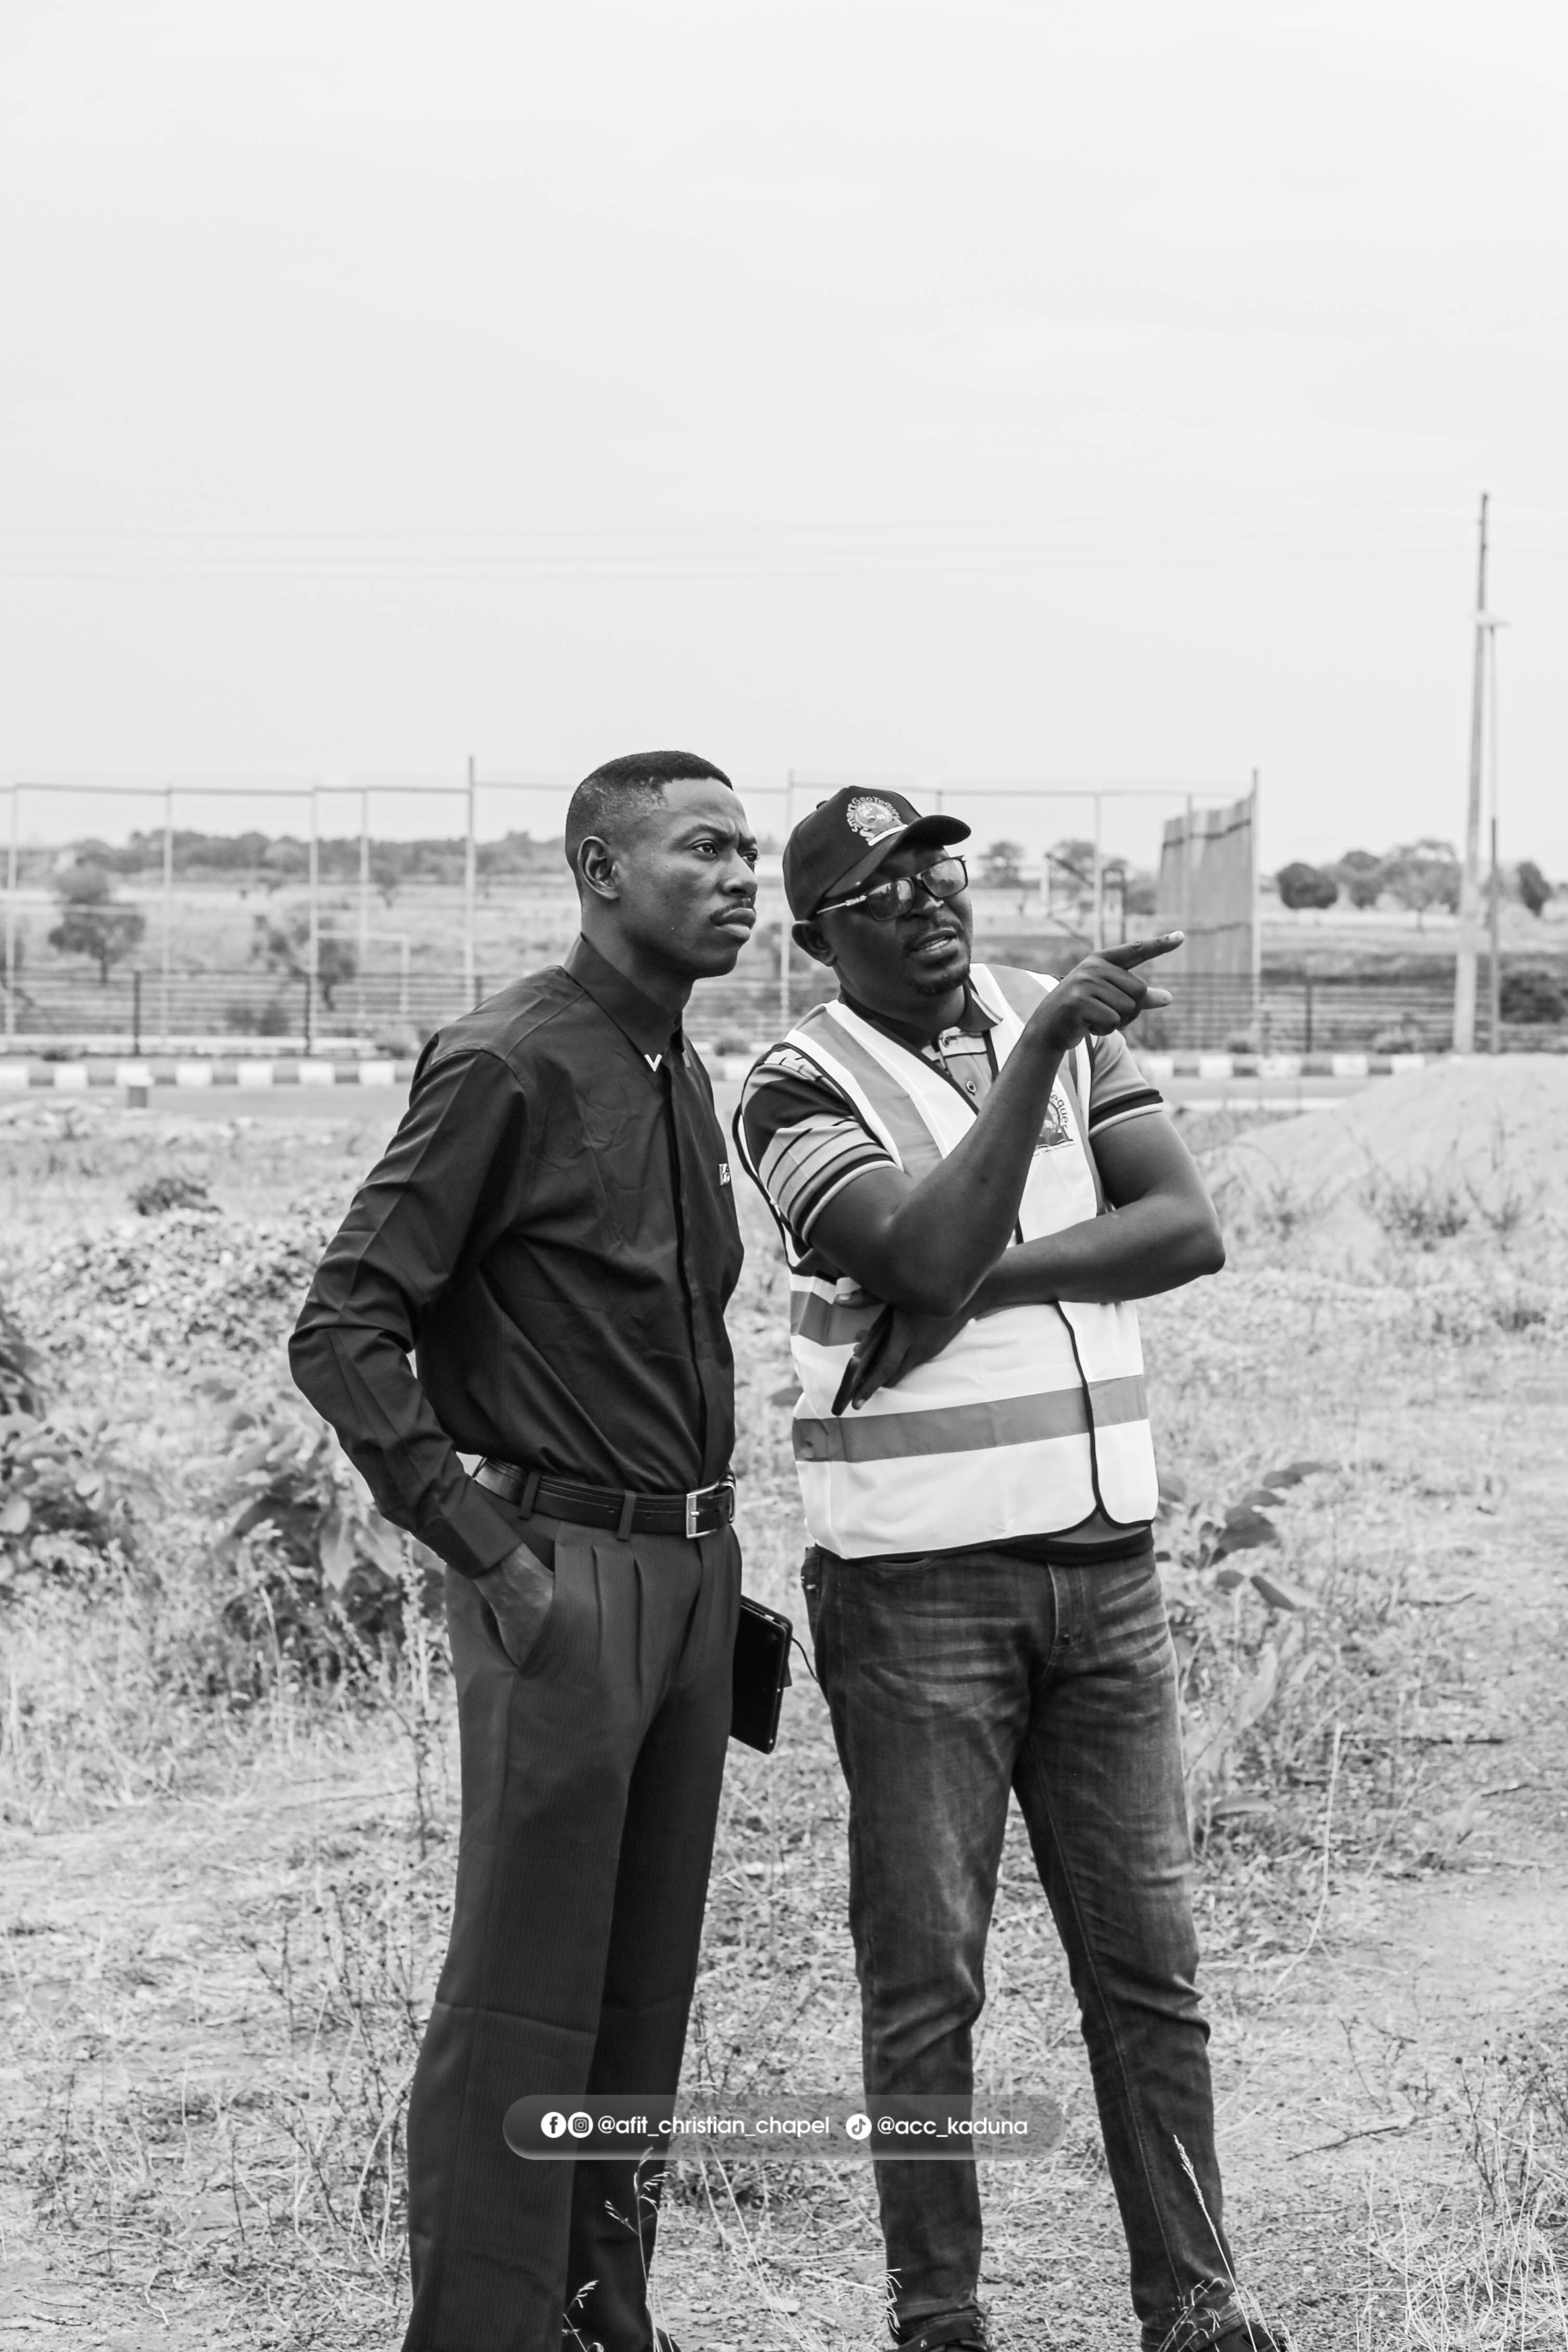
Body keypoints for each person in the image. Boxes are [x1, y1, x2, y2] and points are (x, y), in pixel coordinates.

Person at [734, 790, 1295, 2352]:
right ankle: (940, 2317)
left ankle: (1196, 2305)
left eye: (943, 870)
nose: (931, 901)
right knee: (929, 1981)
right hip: (920, 1588)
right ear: (818, 938)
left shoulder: (1054, 1020)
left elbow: (1181, 1230)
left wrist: (971, 1286)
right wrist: (1038, 1060)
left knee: (1150, 1971)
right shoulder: (794, 1084)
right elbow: (908, 1249)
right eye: (885, 889)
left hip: (1105, 1569)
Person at [291, 750, 759, 2352]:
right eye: (704, 847)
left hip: (692, 1578)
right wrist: (488, 1550)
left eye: (752, 852)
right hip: (562, 1570)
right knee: (522, 1991)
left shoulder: (678, 1066)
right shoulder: (507, 1061)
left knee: (641, 1982)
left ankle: (599, 2310)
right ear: (600, 868)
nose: (742, 879)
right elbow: (344, 1327)